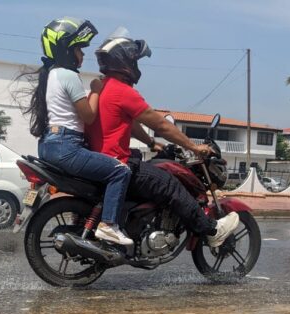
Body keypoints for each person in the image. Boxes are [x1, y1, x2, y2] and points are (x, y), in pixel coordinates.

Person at [87, 29, 240, 248]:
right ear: (125, 61)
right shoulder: (123, 91)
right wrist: (194, 147)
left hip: (101, 161)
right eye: (135, 61)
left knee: (149, 169)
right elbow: (159, 124)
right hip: (115, 161)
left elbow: (129, 124)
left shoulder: (103, 88)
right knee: (169, 184)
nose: (136, 66)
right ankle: (211, 230)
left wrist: (151, 143)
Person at [23, 18, 134, 246]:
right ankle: (108, 225)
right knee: (120, 172)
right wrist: (95, 90)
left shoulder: (51, 74)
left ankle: (83, 220)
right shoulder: (69, 76)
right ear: (66, 50)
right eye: (79, 49)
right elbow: (89, 116)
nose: (83, 55)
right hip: (67, 146)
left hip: (50, 145)